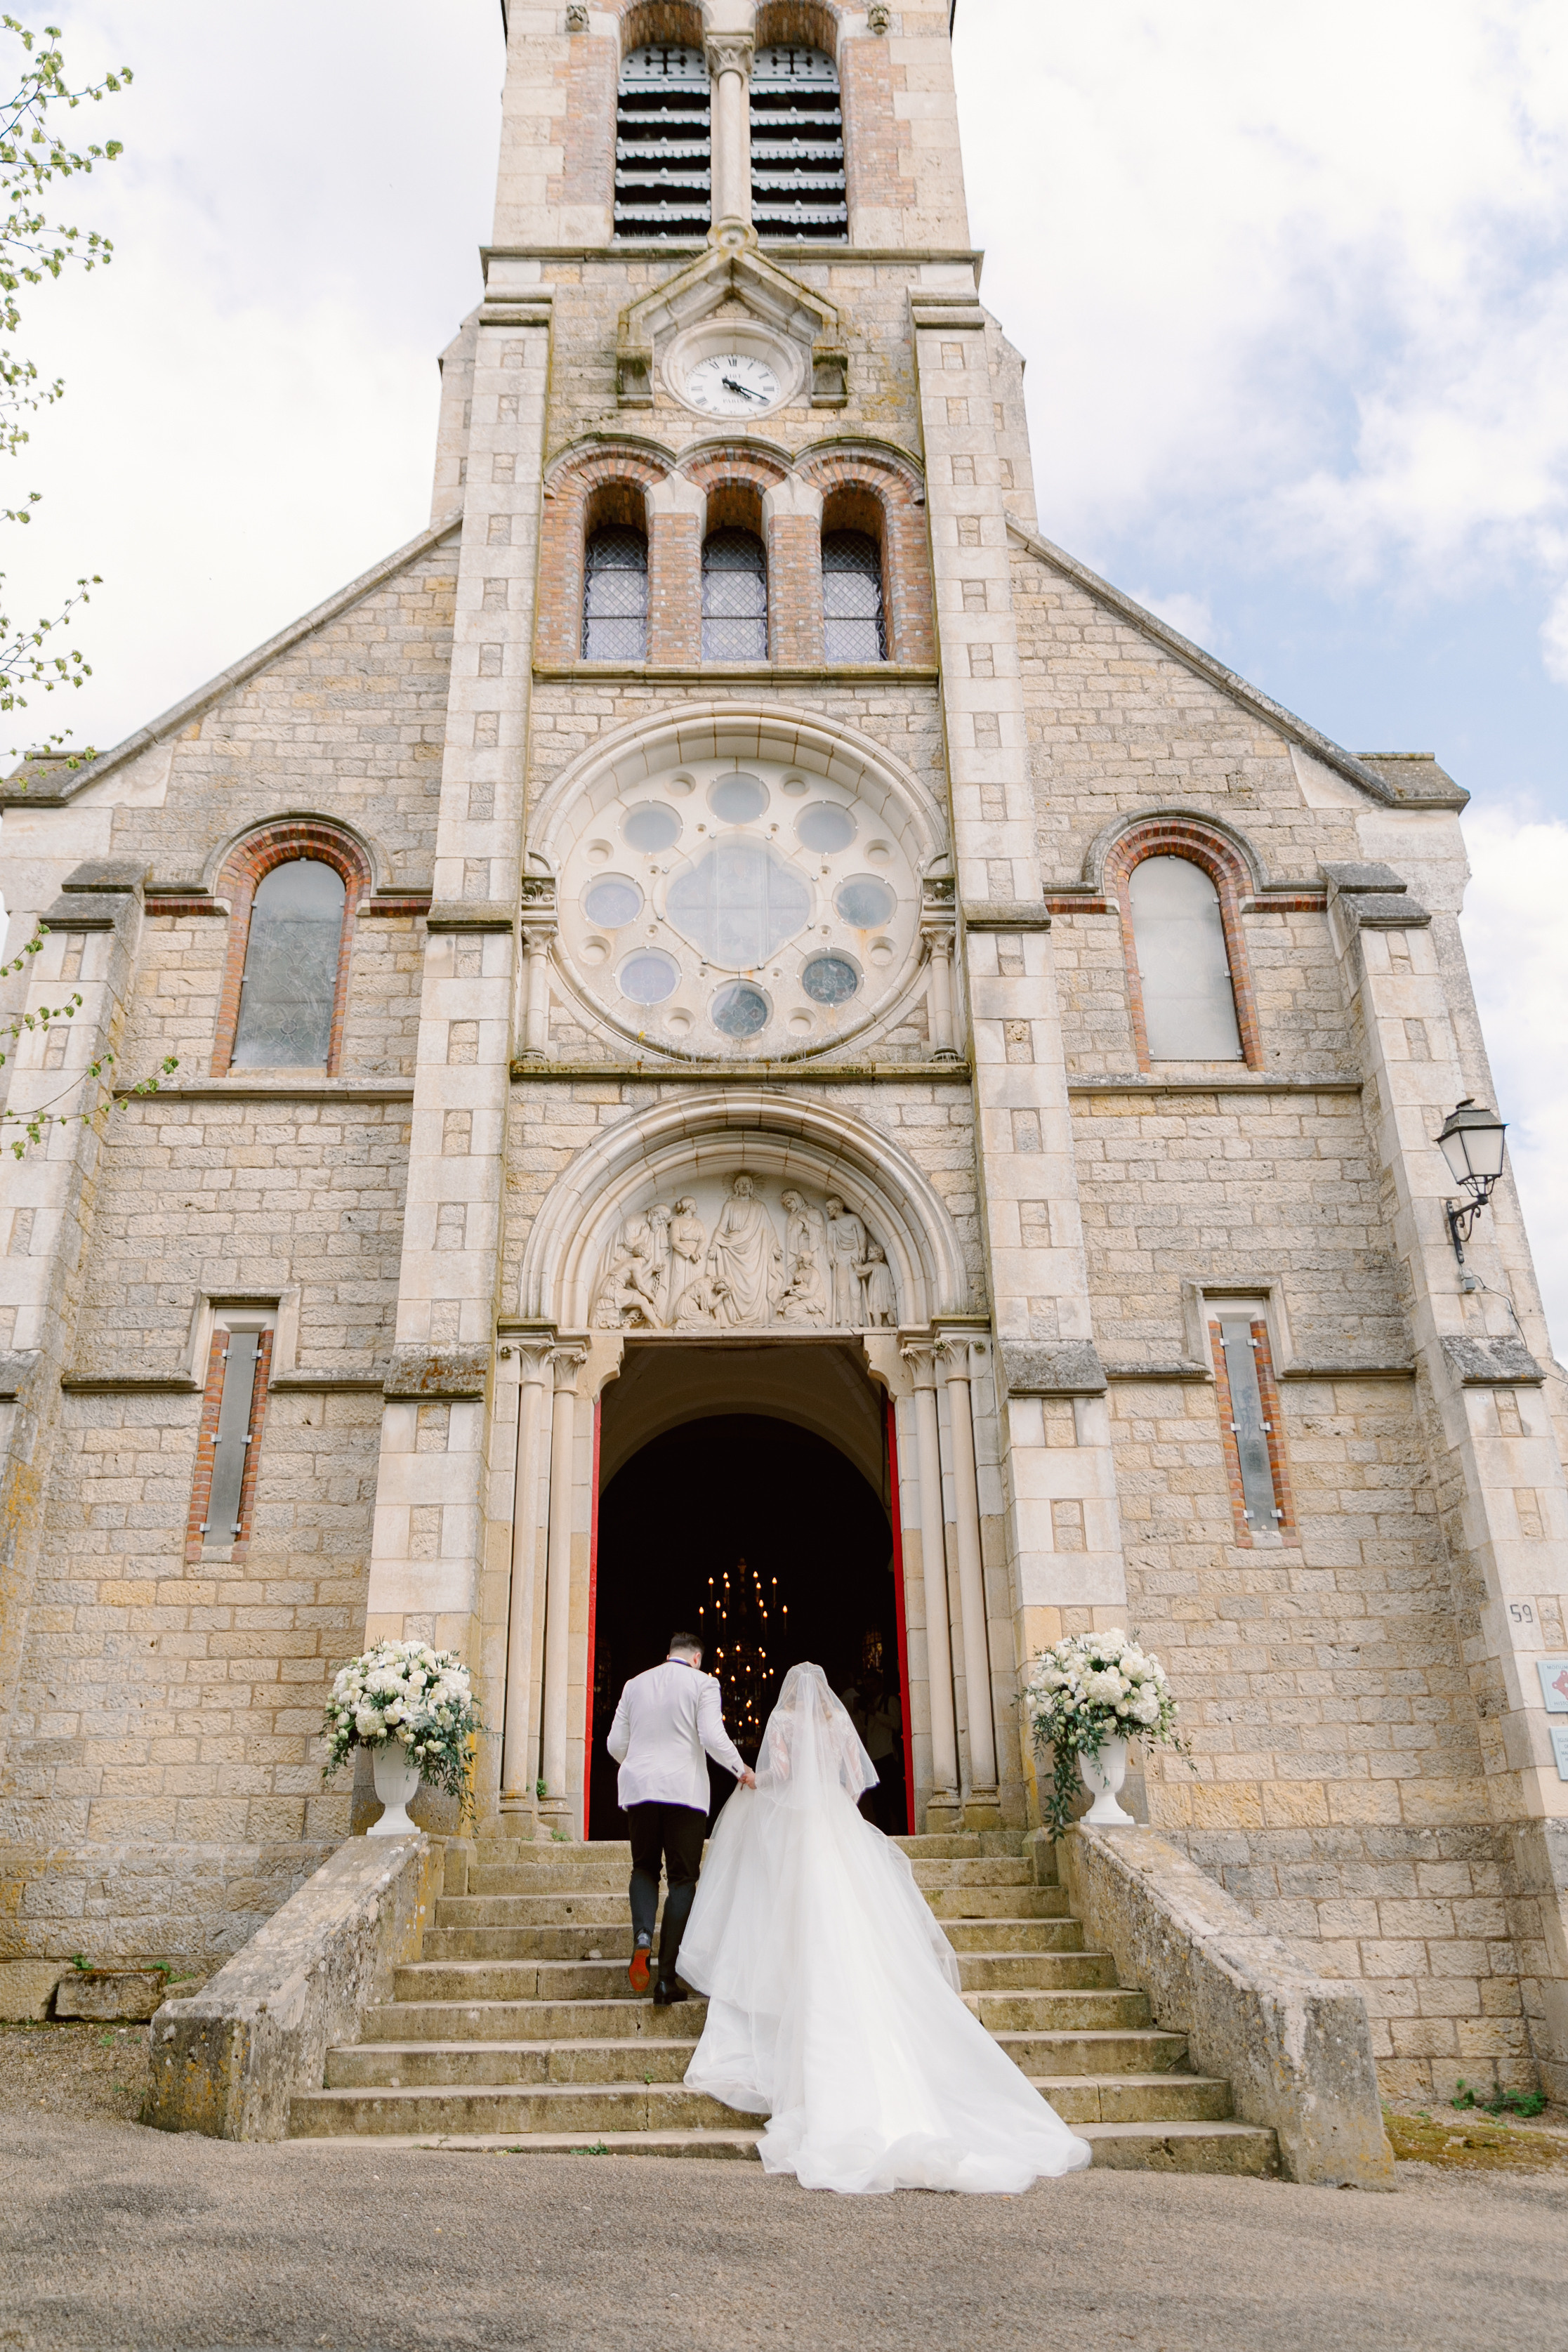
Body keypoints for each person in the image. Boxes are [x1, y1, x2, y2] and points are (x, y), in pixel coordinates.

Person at [678, 1661, 1092, 2194]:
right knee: (852, 1926)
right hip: (835, 1824)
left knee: (799, 1925)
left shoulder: (782, 1722)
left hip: (801, 1829)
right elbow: (854, 1780)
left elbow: (778, 1775)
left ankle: (800, 2023)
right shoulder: (835, 1722)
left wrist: (766, 1786)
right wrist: (829, 1805)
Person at [605, 1631, 756, 2004]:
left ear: (669, 1653)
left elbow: (614, 1745)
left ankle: (643, 1936)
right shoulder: (703, 1683)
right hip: (683, 1793)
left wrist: (639, 1766)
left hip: (639, 1789)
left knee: (643, 1868)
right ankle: (666, 1980)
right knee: (683, 1879)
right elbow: (712, 1735)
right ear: (696, 1659)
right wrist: (741, 1769)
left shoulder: (634, 1684)